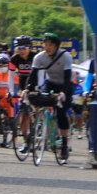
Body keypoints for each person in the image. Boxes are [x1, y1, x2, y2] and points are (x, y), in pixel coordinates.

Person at [27, 32, 75, 160]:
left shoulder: (66, 57)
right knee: (37, 99)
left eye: (50, 45)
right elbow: (33, 76)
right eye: (45, 45)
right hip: (50, 83)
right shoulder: (39, 57)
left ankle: (64, 144)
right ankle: (40, 125)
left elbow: (67, 77)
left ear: (57, 46)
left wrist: (63, 93)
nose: (47, 48)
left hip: (65, 85)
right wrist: (27, 89)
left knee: (60, 112)